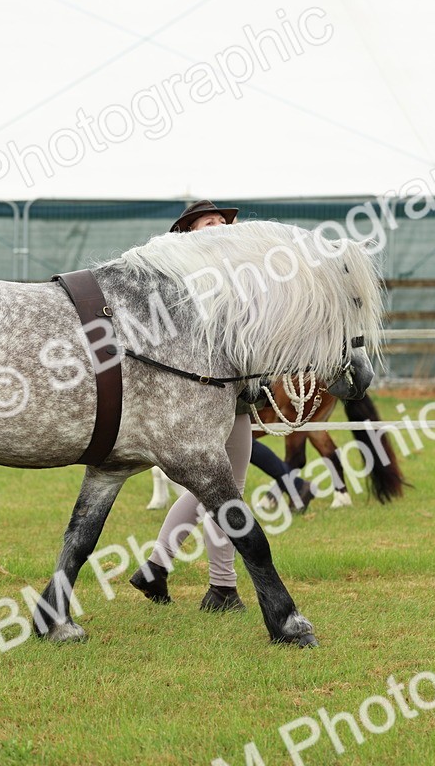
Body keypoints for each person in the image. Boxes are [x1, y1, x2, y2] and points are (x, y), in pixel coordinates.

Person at [128, 200, 259, 612]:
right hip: (202, 396)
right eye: (209, 222)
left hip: (230, 394)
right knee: (225, 491)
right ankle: (218, 587)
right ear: (188, 232)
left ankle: (165, 570)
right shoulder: (187, 277)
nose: (219, 225)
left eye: (222, 221)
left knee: (218, 490)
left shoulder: (235, 273)